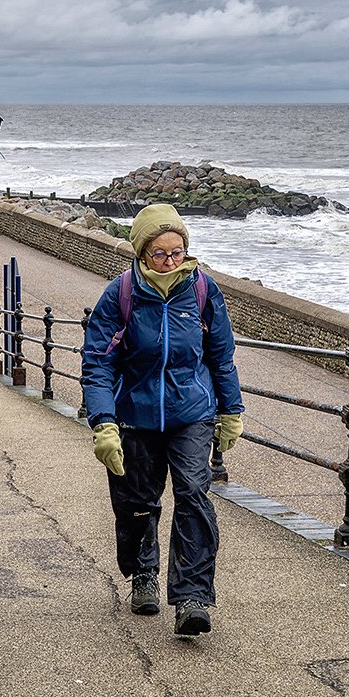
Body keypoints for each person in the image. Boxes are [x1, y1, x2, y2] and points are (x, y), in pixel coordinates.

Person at [82, 204, 244, 637]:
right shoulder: (121, 295)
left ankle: (192, 595)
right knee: (137, 504)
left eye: (178, 251)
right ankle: (143, 575)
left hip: (190, 412)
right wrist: (103, 423)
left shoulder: (203, 291)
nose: (172, 261)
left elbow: (221, 357)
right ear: (141, 253)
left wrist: (232, 410)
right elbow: (98, 362)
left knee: (193, 495)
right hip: (134, 414)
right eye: (160, 253)